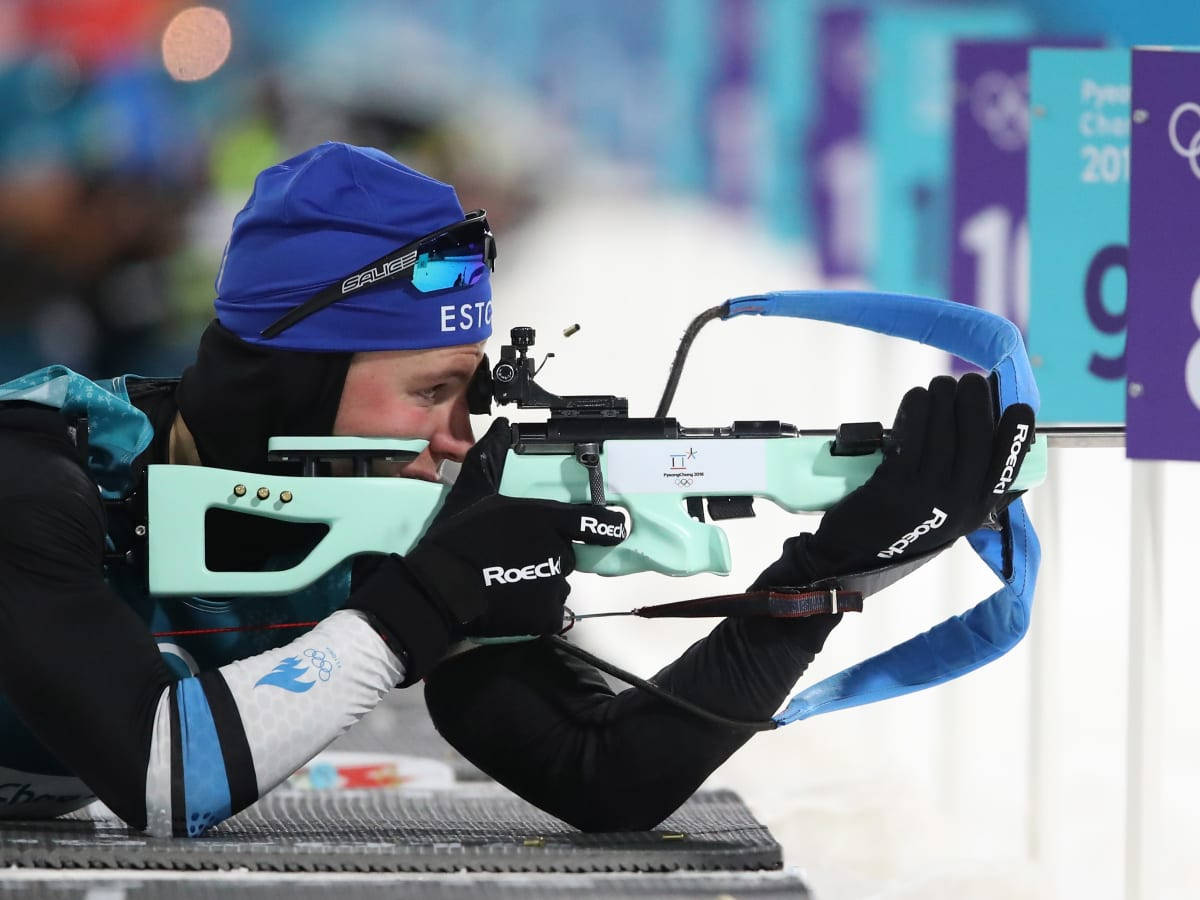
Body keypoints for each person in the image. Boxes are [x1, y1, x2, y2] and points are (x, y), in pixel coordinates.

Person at [0, 142, 1033, 837]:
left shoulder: (380, 524)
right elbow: (159, 773)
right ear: (294, 380)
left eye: (472, 393)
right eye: (430, 392)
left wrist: (824, 577)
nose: (460, 439)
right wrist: (429, 600)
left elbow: (604, 774)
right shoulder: (33, 475)